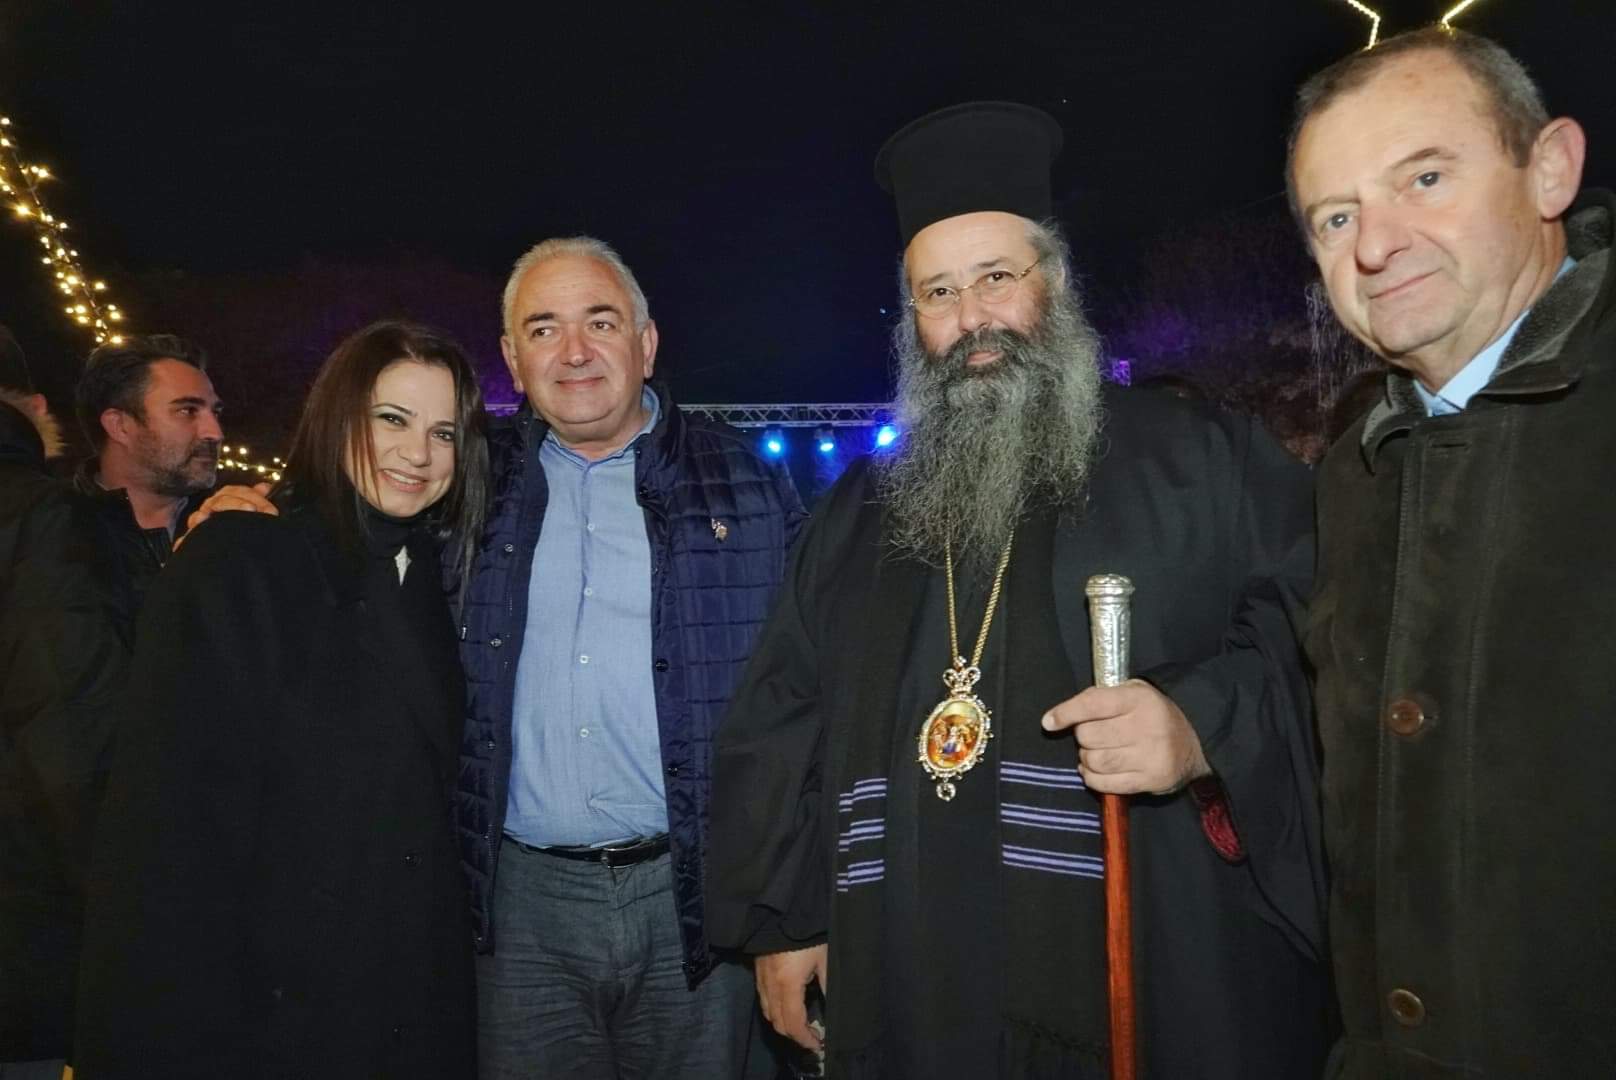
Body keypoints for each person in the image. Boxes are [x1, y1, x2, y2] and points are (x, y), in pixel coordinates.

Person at [705, 102, 1330, 1078]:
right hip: (903, 953)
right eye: (937, 293)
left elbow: (1326, 643)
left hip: (1141, 956)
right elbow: (783, 713)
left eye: (996, 277)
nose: (970, 320)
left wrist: (1200, 726)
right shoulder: (856, 511)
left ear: (1056, 282)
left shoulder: (1203, 460)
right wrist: (783, 920)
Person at [1290, 27, 1611, 1077]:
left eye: (1423, 178)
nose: (1375, 246)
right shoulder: (1354, 471)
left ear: (1549, 168)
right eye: (1336, 217)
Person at [73, 320, 489, 1079]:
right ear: (336, 417)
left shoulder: (434, 576)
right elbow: (166, 838)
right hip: (269, 1014)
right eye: (391, 420)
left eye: (444, 432)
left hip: (405, 999)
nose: (418, 453)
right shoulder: (240, 558)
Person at [459, 236, 805, 1077]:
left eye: (601, 321)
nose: (574, 351)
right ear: (512, 359)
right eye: (543, 329)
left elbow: (813, 701)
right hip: (519, 908)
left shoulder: (747, 485)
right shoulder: (464, 484)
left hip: (698, 903)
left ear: (646, 345)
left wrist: (793, 908)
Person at [0, 326, 128, 1079]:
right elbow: (68, 725)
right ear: (38, 408)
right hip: (26, 920)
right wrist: (121, 909)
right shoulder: (44, 517)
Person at [72, 333, 222, 614]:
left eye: (216, 413)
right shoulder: (52, 534)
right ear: (120, 426)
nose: (214, 432)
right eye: (187, 411)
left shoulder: (229, 524)